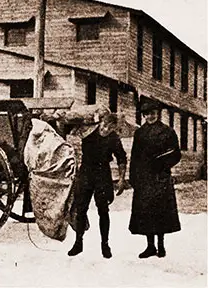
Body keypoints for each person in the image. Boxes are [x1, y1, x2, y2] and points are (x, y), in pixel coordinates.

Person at [68, 113, 127, 259]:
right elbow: (71, 129)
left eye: (110, 127)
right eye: (105, 125)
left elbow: (121, 158)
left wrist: (121, 179)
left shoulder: (114, 138)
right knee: (81, 208)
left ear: (114, 127)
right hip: (86, 172)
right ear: (100, 122)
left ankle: (105, 245)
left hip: (102, 174)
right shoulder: (88, 132)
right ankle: (78, 242)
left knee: (103, 210)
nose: (106, 129)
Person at [128, 100, 181, 258]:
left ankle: (161, 245)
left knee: (161, 210)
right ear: (143, 116)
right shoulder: (140, 133)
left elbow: (176, 154)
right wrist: (133, 177)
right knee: (146, 212)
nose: (150, 116)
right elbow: (135, 156)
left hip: (160, 176)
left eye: (152, 113)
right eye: (146, 114)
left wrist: (162, 163)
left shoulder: (167, 132)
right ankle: (150, 246)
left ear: (157, 114)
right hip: (144, 178)